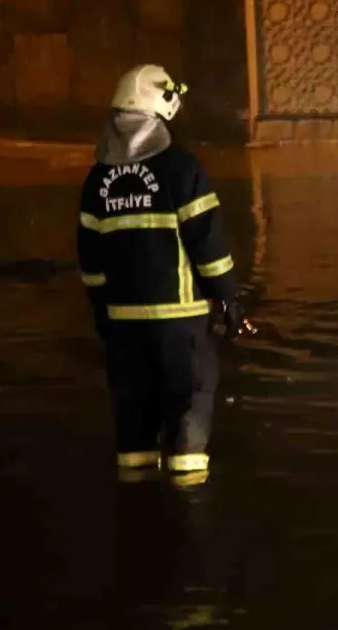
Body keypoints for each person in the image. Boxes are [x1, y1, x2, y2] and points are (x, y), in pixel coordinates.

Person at [77, 64, 253, 487]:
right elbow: (208, 244)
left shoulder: (97, 179)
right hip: (181, 325)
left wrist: (103, 311)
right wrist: (230, 299)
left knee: (134, 434)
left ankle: (137, 519)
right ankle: (189, 520)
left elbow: (90, 258)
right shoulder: (181, 168)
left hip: (123, 329)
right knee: (189, 417)